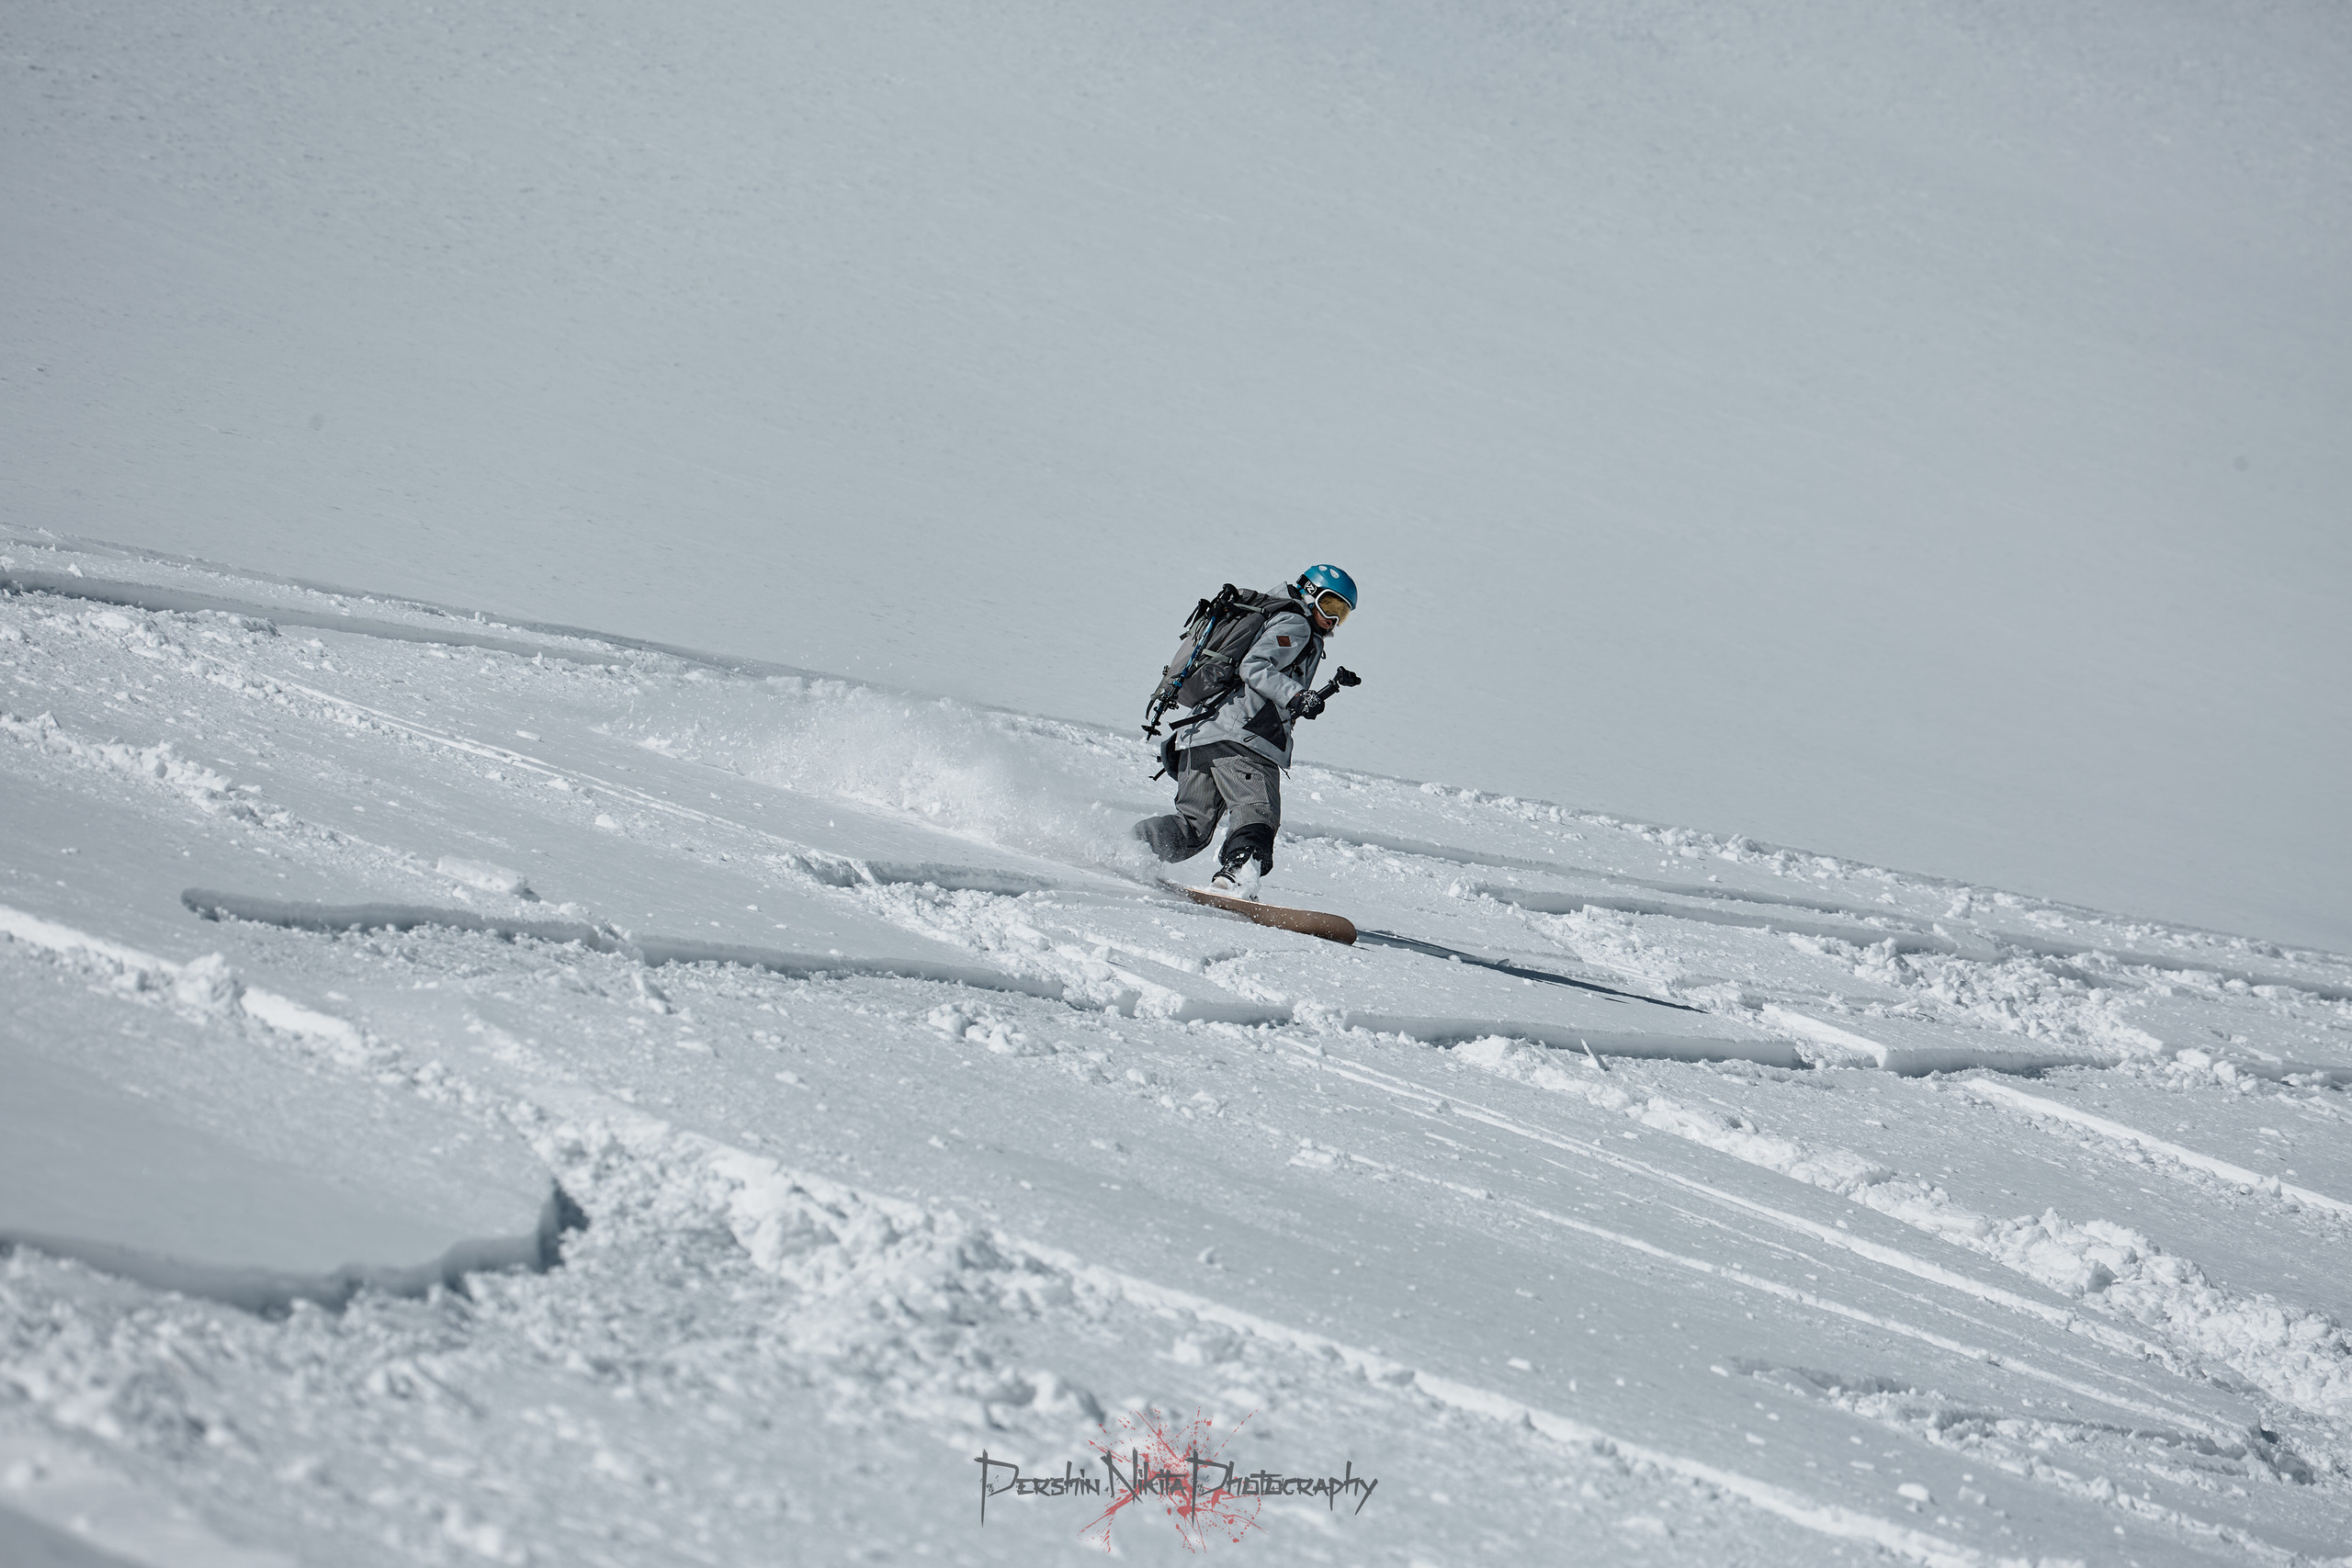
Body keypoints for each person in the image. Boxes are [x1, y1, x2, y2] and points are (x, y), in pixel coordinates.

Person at [1133, 564, 1358, 896]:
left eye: (1343, 613)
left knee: (1192, 827)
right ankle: (1237, 875)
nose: (1333, 620)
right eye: (1330, 606)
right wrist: (1296, 694)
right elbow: (1253, 666)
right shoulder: (1295, 623)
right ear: (1310, 593)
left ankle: (1133, 847)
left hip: (1200, 736)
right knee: (1258, 810)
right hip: (1242, 739)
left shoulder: (1272, 617)